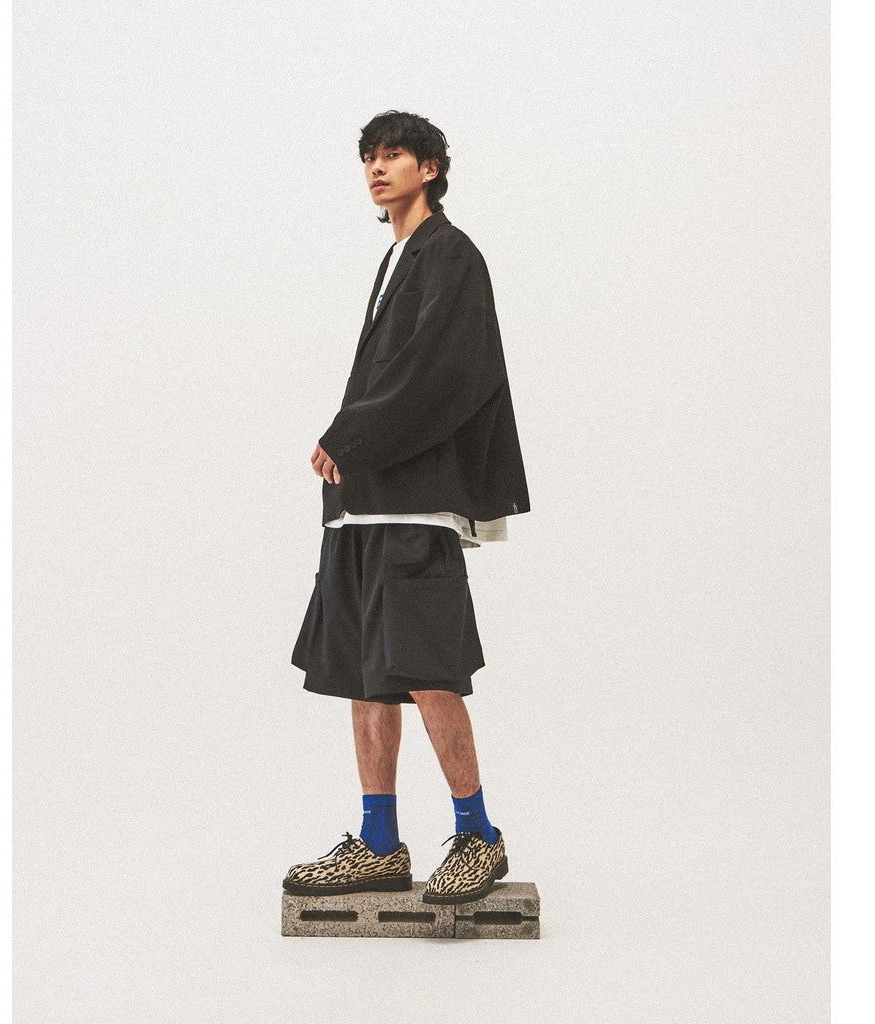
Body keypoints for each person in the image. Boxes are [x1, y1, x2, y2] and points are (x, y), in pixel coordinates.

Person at [286, 110, 530, 905]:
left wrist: (349, 436)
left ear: (430, 168)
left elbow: (442, 370)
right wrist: (351, 460)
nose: (376, 168)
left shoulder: (451, 253)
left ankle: (478, 834)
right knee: (365, 676)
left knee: (429, 672)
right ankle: (380, 843)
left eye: (393, 155)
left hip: (416, 504)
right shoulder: (397, 257)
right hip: (364, 504)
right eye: (369, 157)